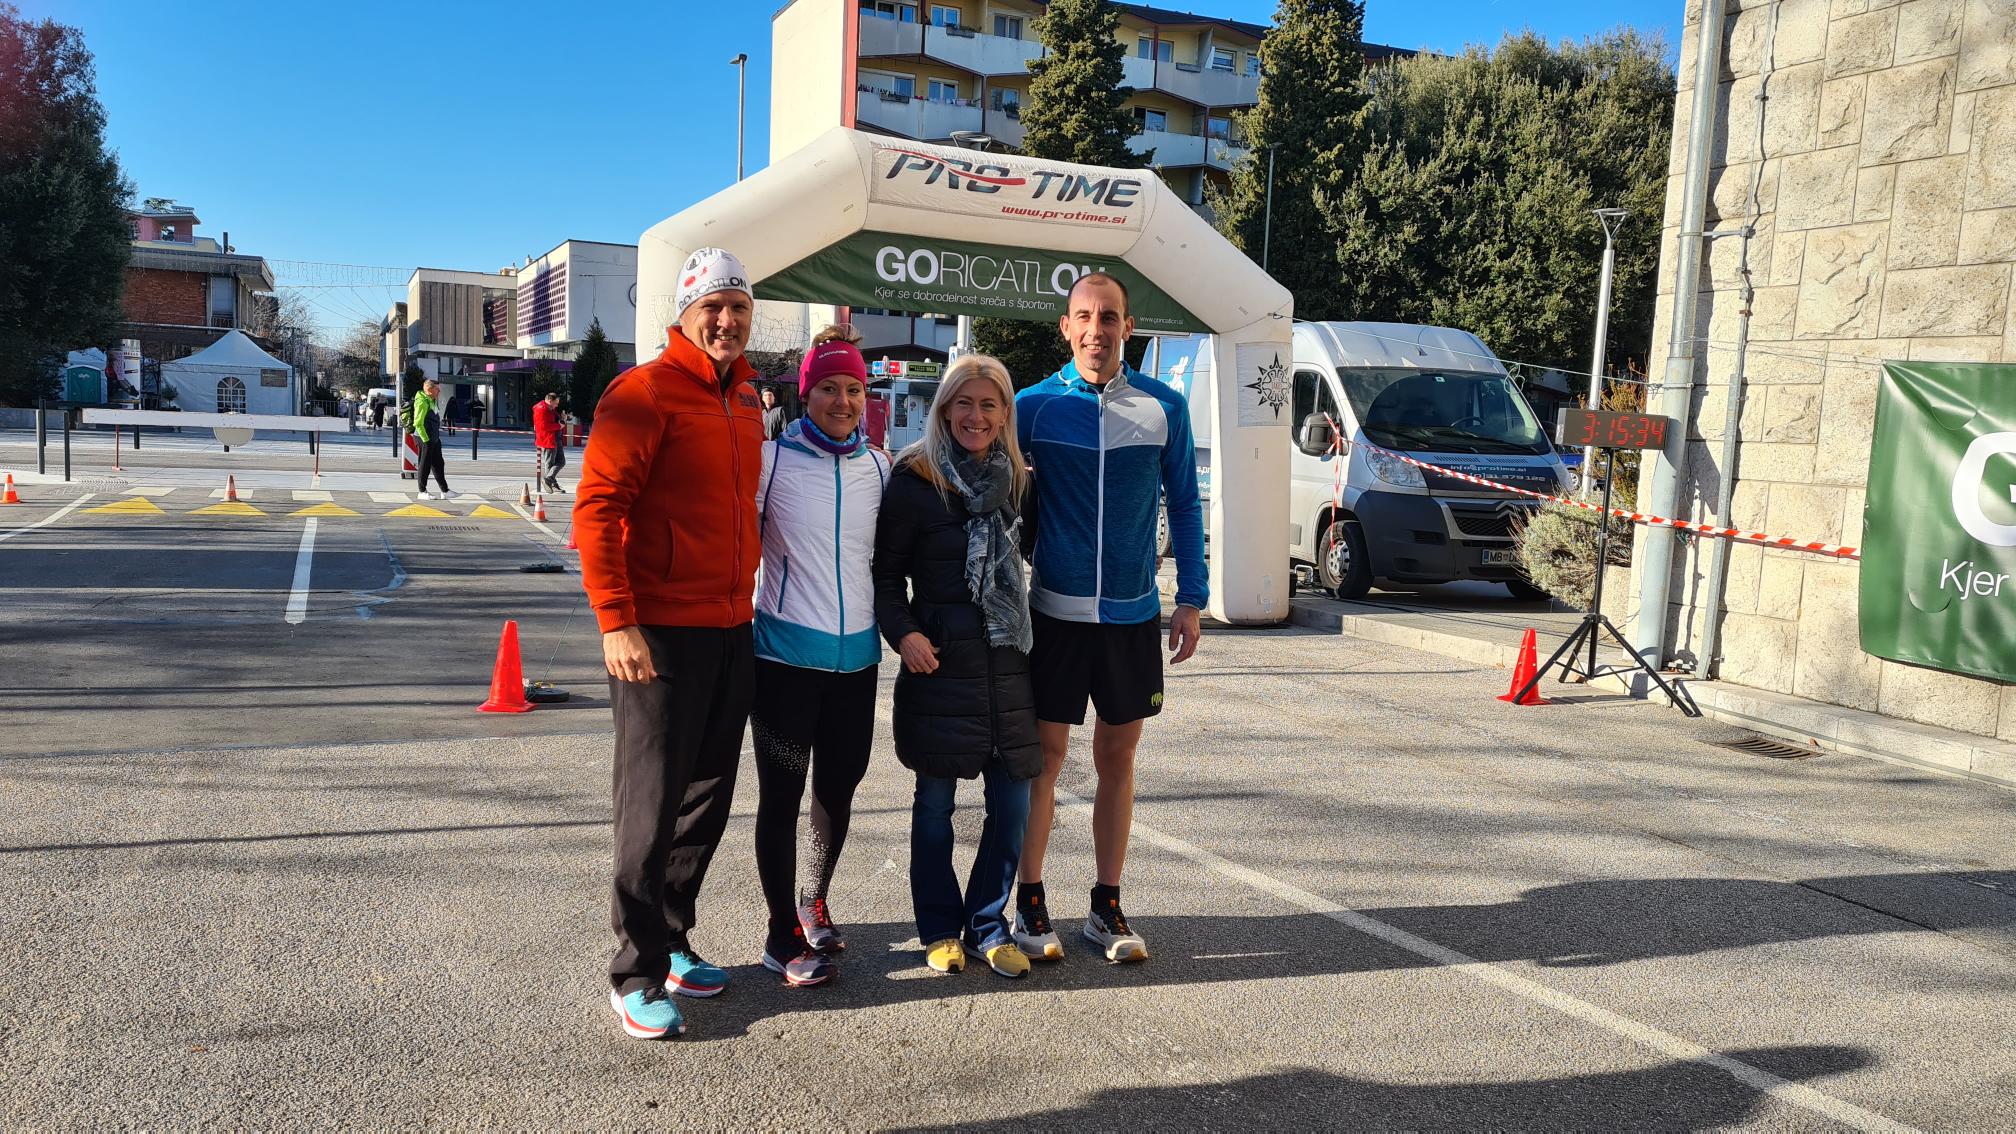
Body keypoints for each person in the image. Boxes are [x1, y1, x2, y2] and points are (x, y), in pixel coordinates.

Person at [575, 247, 766, 1040]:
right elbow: (597, 510)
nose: (726, 320)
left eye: (738, 308)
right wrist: (616, 619)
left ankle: (674, 937)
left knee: (706, 799)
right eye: (711, 307)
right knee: (650, 807)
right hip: (657, 634)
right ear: (682, 316)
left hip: (731, 627)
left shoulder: (747, 397)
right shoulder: (643, 393)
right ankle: (634, 971)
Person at [1012, 272, 1205, 965]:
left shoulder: (1164, 407)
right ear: (1066, 327)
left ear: (1129, 327)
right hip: (1055, 614)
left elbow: (1186, 503)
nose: (1097, 329)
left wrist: (1192, 597)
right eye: (1085, 317)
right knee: (1045, 761)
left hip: (1131, 616)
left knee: (1117, 760)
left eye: (1110, 317)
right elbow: (994, 494)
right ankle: (1028, 899)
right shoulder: (1031, 407)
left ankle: (1106, 904)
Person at [873, 354, 1042, 980]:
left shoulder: (1019, 482)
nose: (976, 416)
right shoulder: (915, 478)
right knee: (934, 808)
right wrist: (906, 634)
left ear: (1004, 415)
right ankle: (940, 928)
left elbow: (1036, 563)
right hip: (940, 669)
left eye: (988, 405)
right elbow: (885, 578)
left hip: (1008, 668)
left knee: (1013, 807)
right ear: (945, 410)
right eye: (964, 403)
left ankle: (988, 925)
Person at [750, 337, 891, 988]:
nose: (842, 401)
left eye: (854, 389)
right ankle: (781, 935)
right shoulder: (771, 461)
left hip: (857, 663)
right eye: (829, 388)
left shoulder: (880, 469)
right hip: (784, 662)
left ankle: (813, 899)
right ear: (805, 394)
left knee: (837, 790)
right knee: (781, 798)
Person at [412, 378, 451, 499]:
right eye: (437, 389)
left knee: (439, 463)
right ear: (429, 390)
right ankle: (422, 491)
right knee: (425, 464)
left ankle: (445, 491)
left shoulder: (432, 400)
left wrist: (435, 438)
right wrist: (426, 440)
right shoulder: (422, 402)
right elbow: (418, 423)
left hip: (434, 438)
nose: (439, 391)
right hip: (425, 438)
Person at [533, 390, 567, 493]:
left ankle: (549, 480)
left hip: (555, 438)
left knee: (561, 461)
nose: (557, 405)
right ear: (550, 401)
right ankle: (552, 484)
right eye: (556, 403)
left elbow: (554, 420)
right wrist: (559, 426)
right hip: (548, 439)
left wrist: (562, 418)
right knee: (550, 464)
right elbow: (544, 426)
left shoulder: (550, 408)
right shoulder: (541, 409)